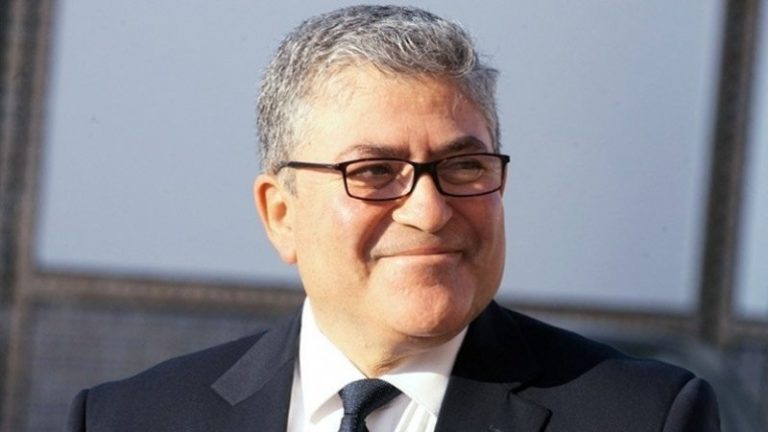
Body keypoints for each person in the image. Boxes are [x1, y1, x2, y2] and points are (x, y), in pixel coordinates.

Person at [66, 5, 721, 431]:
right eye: (375, 172)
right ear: (280, 214)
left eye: (464, 166)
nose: (430, 212)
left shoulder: (641, 417)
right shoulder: (130, 418)